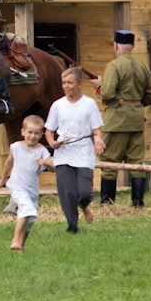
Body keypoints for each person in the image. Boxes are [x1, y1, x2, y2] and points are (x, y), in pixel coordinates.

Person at [92, 30, 151, 207]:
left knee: (109, 163)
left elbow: (107, 94)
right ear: (133, 46)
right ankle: (138, 203)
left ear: (115, 46)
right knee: (136, 163)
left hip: (116, 122)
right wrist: (135, 104)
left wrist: (98, 85)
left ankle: (107, 203)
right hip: (136, 121)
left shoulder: (113, 66)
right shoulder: (142, 66)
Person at [46, 67, 106, 233]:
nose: (66, 86)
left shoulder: (89, 104)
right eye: (64, 82)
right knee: (69, 192)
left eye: (70, 83)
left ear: (80, 84)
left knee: (84, 191)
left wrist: (98, 140)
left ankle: (84, 204)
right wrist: (52, 142)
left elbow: (96, 129)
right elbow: (49, 130)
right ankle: (72, 226)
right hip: (64, 152)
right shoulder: (57, 105)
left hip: (83, 151)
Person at [0, 115, 54, 252]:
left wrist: (46, 163)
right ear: (23, 132)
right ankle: (15, 240)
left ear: (41, 135)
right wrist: (2, 180)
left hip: (32, 190)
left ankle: (21, 245)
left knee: (30, 219)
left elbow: (53, 168)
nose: (32, 136)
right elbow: (8, 162)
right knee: (27, 209)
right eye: (30, 132)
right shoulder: (16, 147)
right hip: (16, 185)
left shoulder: (42, 151)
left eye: (36, 133)